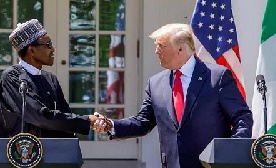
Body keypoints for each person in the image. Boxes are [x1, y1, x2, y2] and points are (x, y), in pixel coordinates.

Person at [93, 23, 253, 168]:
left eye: (161, 45)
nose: (156, 51)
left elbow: (241, 116)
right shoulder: (155, 83)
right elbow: (143, 122)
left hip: (210, 165)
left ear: (181, 49)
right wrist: (111, 125)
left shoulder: (217, 77)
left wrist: (233, 149)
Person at [0, 19, 111, 138]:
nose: (53, 49)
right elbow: (39, 117)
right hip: (20, 153)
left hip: (53, 152)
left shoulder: (50, 79)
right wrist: (87, 121)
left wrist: (92, 123)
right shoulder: (12, 76)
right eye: (48, 45)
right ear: (32, 50)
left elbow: (65, 116)